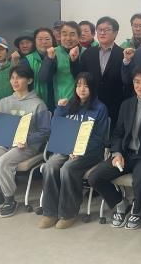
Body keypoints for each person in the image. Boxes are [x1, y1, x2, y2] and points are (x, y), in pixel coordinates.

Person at [88, 66, 141, 230]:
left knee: (140, 180)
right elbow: (118, 133)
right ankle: (121, 204)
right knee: (95, 177)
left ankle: (137, 209)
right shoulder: (127, 104)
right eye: (137, 82)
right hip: (126, 154)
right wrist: (117, 152)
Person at [0, 65, 50, 218]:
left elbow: (45, 132)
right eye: (12, 78)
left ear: (29, 80)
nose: (15, 81)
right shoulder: (4, 102)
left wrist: (27, 140)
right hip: (5, 142)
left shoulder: (38, 104)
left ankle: (9, 199)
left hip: (26, 146)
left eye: (19, 77)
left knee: (2, 163)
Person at [39, 72, 108, 230]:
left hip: (90, 152)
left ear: (92, 88)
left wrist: (79, 148)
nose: (82, 89)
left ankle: (68, 213)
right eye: (78, 85)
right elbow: (56, 129)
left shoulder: (100, 108)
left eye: (86, 86)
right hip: (67, 148)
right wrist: (59, 109)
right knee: (49, 166)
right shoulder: (69, 105)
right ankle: (50, 212)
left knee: (67, 168)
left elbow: (99, 138)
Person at [73, 16, 126, 127]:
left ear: (115, 33)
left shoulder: (123, 54)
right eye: (100, 30)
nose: (102, 33)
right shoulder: (88, 53)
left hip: (115, 104)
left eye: (107, 30)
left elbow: (127, 80)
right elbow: (80, 77)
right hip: (91, 104)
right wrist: (73, 61)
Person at [40, 21, 82, 107]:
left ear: (79, 37)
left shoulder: (86, 53)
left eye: (72, 34)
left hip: (82, 103)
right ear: (60, 36)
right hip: (61, 103)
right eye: (64, 34)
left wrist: (75, 60)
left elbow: (85, 78)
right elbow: (43, 78)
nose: (68, 38)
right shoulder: (53, 52)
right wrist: (49, 60)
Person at [21, 28, 57, 111]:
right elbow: (42, 78)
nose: (44, 42)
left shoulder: (60, 56)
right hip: (35, 104)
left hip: (58, 102)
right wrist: (49, 58)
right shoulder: (26, 60)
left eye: (47, 39)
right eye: (40, 39)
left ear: (53, 41)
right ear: (34, 42)